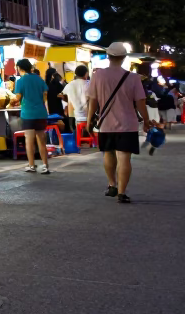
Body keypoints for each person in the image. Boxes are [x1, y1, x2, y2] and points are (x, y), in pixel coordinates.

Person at [88, 42, 151, 203]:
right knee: (124, 158)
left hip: (105, 124)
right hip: (127, 124)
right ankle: (122, 193)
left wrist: (89, 120)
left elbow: (93, 100)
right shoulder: (133, 77)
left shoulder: (98, 75)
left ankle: (112, 184)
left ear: (108, 56)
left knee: (108, 153)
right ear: (124, 57)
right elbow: (140, 102)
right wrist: (146, 120)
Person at [15, 58, 51, 174]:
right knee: (41, 140)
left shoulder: (20, 81)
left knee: (29, 140)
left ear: (19, 68)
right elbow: (45, 94)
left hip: (28, 114)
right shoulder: (39, 79)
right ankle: (45, 165)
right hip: (41, 113)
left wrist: (11, 102)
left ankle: (31, 165)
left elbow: (18, 98)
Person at [62, 65, 90, 135]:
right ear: (86, 73)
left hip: (76, 116)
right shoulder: (89, 84)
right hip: (89, 116)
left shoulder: (69, 85)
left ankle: (78, 137)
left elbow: (62, 95)